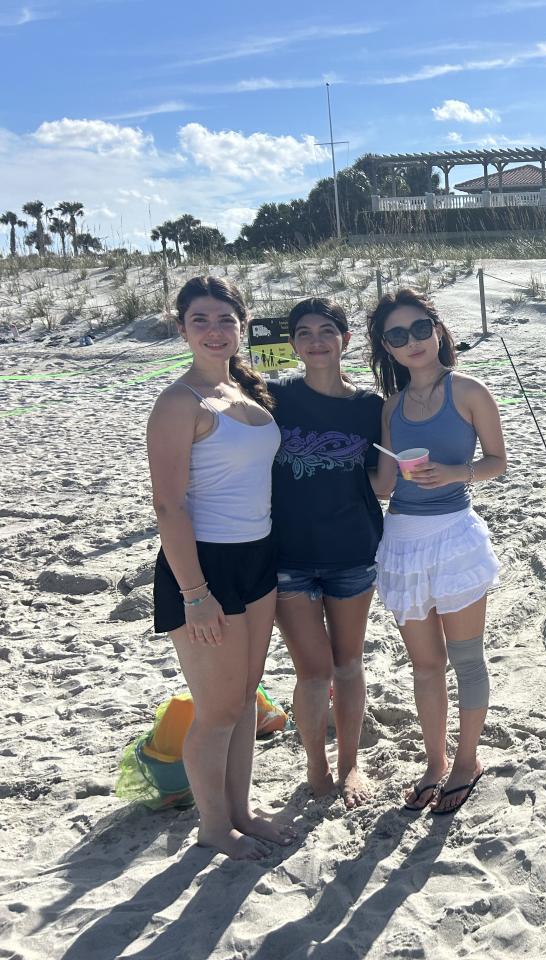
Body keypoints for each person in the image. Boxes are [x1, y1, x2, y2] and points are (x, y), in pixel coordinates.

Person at [146, 276, 295, 859]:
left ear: (242, 325)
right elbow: (168, 506)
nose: (214, 331)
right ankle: (213, 825)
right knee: (217, 711)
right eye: (200, 320)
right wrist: (194, 592)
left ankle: (241, 810)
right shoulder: (179, 402)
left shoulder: (244, 391)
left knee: (246, 698)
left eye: (225, 319)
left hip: (258, 555)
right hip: (204, 564)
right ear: (181, 328)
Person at [367, 289, 506, 815]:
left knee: (467, 659)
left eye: (421, 328)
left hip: (454, 538)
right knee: (425, 666)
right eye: (398, 335)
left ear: (438, 329)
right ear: (387, 347)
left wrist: (454, 473)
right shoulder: (392, 406)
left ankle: (467, 761)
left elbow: (497, 461)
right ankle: (435, 762)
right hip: (402, 542)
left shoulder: (468, 390)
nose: (413, 342)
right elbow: (385, 486)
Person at [269, 298, 383, 808]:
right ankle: (316, 764)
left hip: (353, 551)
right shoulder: (271, 397)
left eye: (326, 331)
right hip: (287, 556)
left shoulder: (370, 407)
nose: (316, 341)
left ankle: (350, 762)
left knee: (349, 663)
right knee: (312, 672)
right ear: (293, 343)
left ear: (345, 340)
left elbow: (383, 480)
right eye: (304, 333)